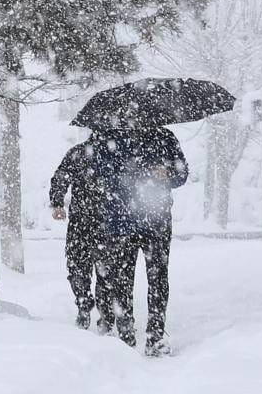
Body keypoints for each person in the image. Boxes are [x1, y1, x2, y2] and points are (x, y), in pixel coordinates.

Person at [92, 126, 187, 357]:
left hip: (157, 222)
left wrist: (168, 173)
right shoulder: (110, 138)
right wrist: (131, 173)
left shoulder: (165, 137)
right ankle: (126, 336)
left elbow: (182, 174)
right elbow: (99, 174)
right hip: (122, 222)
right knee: (123, 280)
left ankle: (155, 336)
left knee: (158, 279)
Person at [49, 134, 110, 331]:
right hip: (101, 221)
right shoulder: (105, 152)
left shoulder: (80, 152)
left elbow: (60, 176)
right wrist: (57, 202)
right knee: (101, 270)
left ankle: (90, 307)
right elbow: (61, 177)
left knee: (80, 267)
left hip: (86, 221)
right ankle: (99, 310)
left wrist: (58, 202)